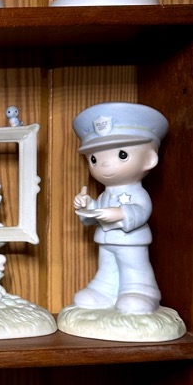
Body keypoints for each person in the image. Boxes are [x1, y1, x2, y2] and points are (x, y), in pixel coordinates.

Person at [71, 101, 168, 314]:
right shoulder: (105, 194)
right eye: (94, 159)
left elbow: (141, 211)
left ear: (149, 159)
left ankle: (142, 291)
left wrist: (119, 213)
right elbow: (93, 215)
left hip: (131, 241)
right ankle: (105, 289)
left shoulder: (138, 193)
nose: (104, 165)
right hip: (106, 241)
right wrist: (88, 205)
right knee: (107, 267)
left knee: (134, 266)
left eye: (121, 154)